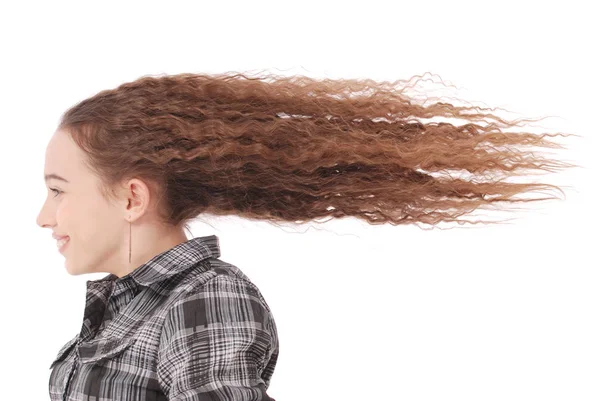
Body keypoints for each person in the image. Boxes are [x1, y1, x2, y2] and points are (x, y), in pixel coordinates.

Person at [37, 70, 578, 400]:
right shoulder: (127, 305)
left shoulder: (205, 299)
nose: (44, 216)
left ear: (132, 198)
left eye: (58, 190)